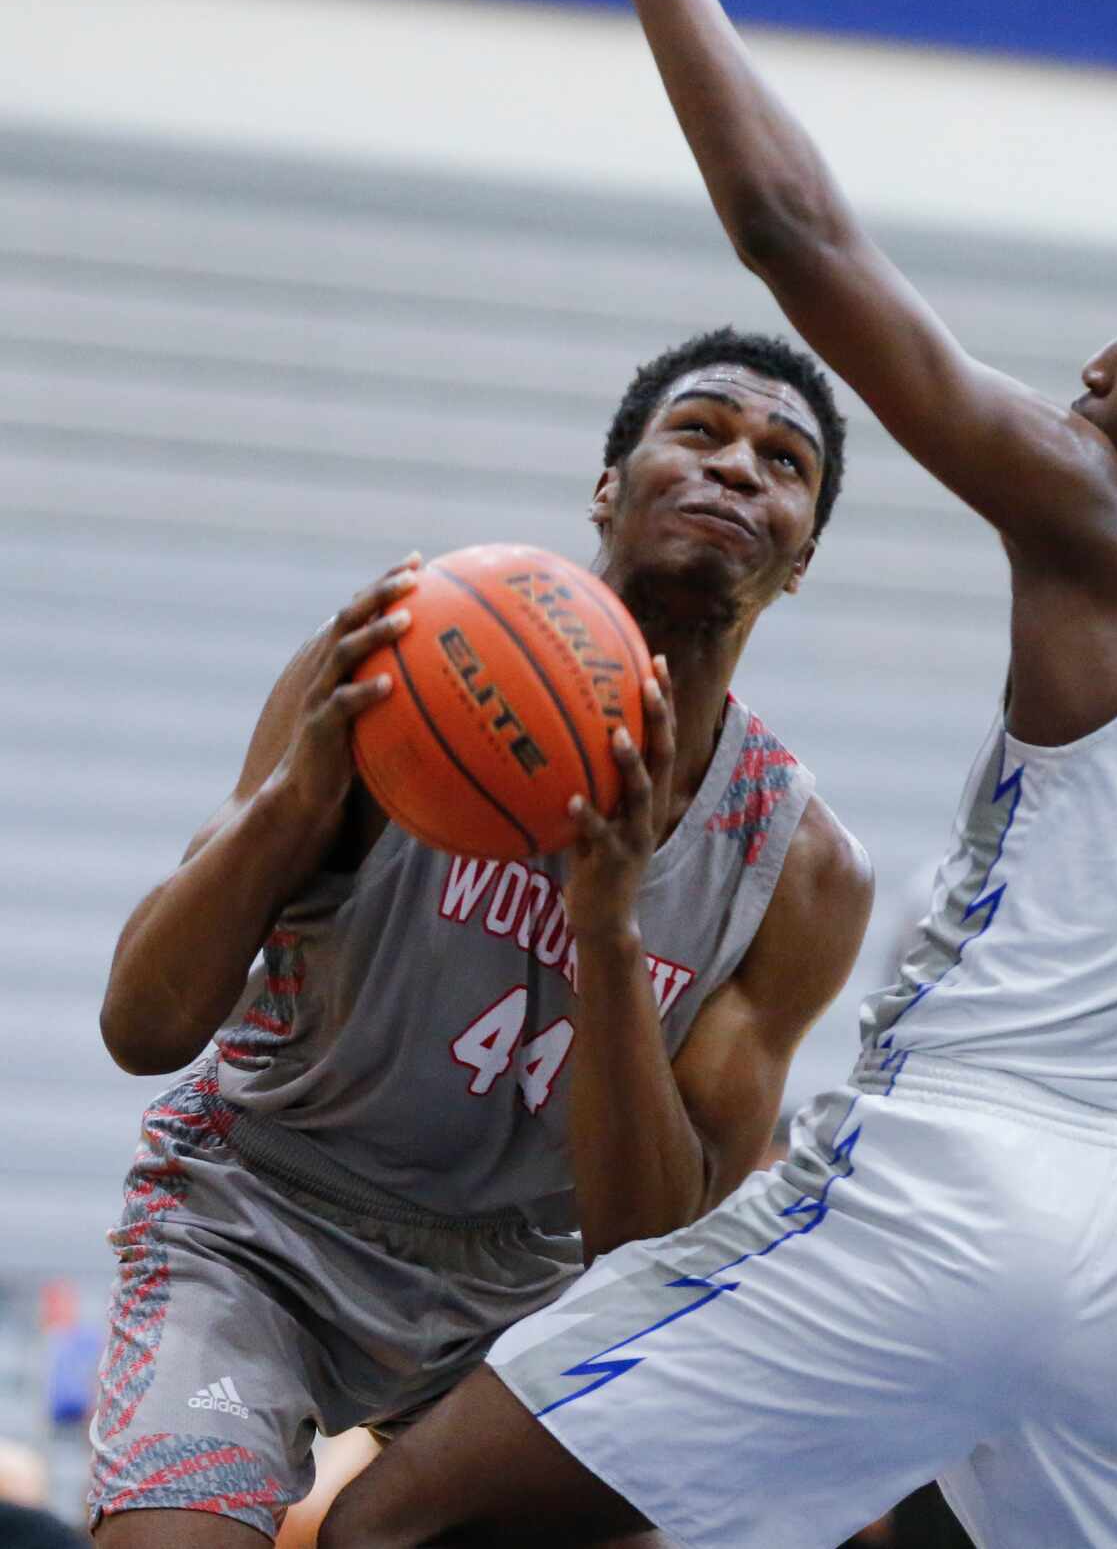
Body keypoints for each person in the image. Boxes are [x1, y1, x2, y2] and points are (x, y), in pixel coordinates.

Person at [312, 0, 1117, 1545]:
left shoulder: (1105, 533)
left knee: (399, 1522)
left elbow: (796, 238)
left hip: (949, 1185)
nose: (1094, 367)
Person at [88, 322, 874, 1543]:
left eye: (783, 462)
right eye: (701, 429)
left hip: (523, 1278)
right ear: (608, 487)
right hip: (262, 1216)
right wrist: (299, 801)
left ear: (802, 555)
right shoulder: (395, 673)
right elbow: (141, 1028)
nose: (736, 466)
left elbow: (644, 1245)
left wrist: (605, 937)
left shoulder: (801, 866)